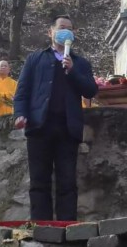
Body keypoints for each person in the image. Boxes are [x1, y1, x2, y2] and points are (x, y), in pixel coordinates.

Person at [13, 15, 98, 221]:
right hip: (39, 126)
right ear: (50, 32)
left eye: (69, 29)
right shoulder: (35, 59)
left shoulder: (80, 63)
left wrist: (73, 71)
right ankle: (41, 227)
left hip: (68, 128)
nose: (65, 31)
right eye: (61, 28)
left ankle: (66, 227)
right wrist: (20, 114)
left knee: (67, 181)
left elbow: (90, 91)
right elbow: (23, 91)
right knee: (39, 180)